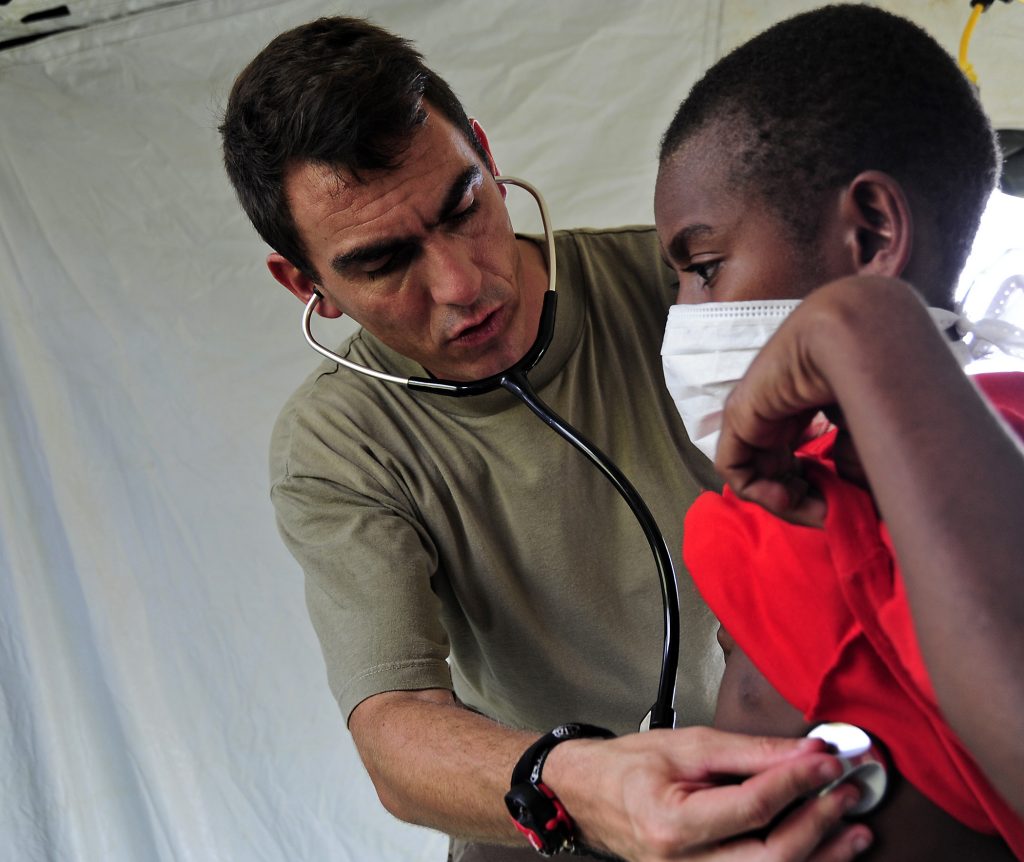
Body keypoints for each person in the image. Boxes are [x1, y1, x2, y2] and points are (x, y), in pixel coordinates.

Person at [219, 15, 875, 862]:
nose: (461, 284)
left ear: (488, 157)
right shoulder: (336, 446)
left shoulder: (683, 288)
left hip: (774, 800)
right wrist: (573, 783)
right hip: (544, 833)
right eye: (383, 262)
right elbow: (394, 727)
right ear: (307, 283)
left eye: (464, 207)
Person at [653, 3, 1024, 858]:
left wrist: (862, 326)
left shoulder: (994, 445)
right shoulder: (815, 479)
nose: (684, 318)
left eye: (705, 270)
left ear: (872, 235)